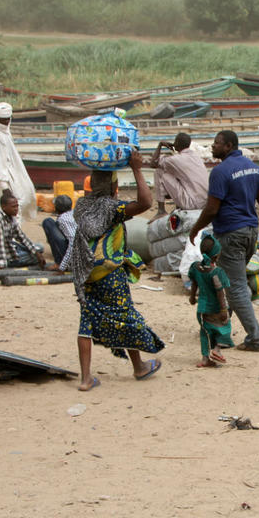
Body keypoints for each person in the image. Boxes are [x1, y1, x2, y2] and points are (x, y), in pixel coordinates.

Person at [70, 152, 165, 391]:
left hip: (86, 272)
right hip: (110, 272)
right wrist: (137, 170)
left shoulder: (81, 207)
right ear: (113, 187)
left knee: (86, 321)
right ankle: (139, 367)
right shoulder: (112, 209)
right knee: (123, 315)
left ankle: (85, 379)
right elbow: (145, 203)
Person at [189, 130, 259, 353]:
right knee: (228, 281)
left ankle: (256, 338)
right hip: (250, 233)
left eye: (216, 143)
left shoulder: (220, 172)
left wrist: (195, 228)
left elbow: (211, 208)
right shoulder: (253, 168)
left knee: (236, 286)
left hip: (230, 234)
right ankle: (221, 329)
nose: (212, 146)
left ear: (228, 146)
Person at [0, 102, 38, 220]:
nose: (6, 122)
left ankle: (13, 230)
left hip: (14, 169)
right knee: (11, 203)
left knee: (25, 196)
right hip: (3, 175)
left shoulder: (5, 130)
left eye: (8, 119)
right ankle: (7, 230)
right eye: (3, 120)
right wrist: (4, 186)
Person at [188, 233, 231, 368]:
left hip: (202, 309)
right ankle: (217, 350)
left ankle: (206, 358)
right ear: (216, 256)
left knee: (205, 332)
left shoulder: (195, 268)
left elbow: (194, 282)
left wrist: (192, 296)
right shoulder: (217, 272)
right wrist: (224, 310)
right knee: (224, 328)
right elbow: (220, 292)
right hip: (216, 308)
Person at [149, 132, 210, 220]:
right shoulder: (196, 156)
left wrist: (160, 145)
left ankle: (161, 210)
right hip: (205, 202)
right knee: (177, 176)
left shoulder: (175, 160)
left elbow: (153, 164)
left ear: (176, 143)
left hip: (192, 203)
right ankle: (175, 205)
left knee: (159, 172)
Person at [0, 190, 47, 270]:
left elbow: (22, 237)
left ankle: (31, 254)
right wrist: (1, 265)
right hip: (5, 257)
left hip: (11, 248)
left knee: (39, 248)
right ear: (4, 207)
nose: (16, 209)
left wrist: (36, 253)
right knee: (34, 257)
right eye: (13, 207)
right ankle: (10, 263)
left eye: (17, 206)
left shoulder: (11, 217)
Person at [41, 195, 77, 271]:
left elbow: (73, 243)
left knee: (48, 222)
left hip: (74, 258)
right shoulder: (74, 213)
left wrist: (62, 266)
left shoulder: (63, 219)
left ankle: (59, 262)